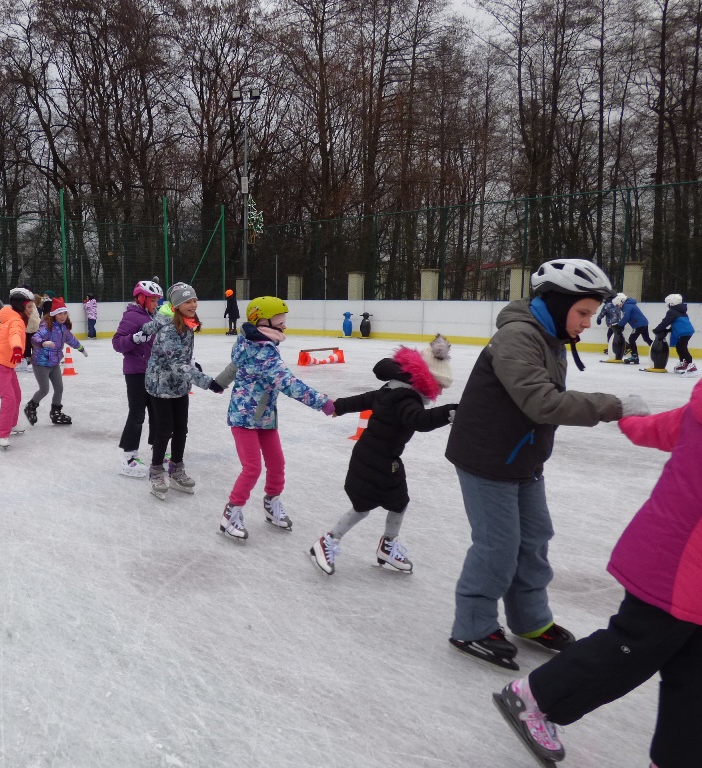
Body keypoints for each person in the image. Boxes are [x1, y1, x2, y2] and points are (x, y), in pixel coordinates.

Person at [445, 258, 650, 670]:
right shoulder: (518, 337)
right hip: (487, 459)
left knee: (535, 539)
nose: (588, 323)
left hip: (521, 457)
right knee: (498, 547)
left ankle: (530, 620)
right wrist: (613, 406)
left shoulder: (549, 335)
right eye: (583, 313)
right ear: (557, 304)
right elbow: (541, 402)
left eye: (592, 314)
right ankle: (471, 625)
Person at [493, 378, 702, 768]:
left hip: (682, 567)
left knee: (695, 676)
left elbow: (653, 429)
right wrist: (628, 415)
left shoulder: (696, 412)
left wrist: (632, 418)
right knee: (629, 650)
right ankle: (532, 697)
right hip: (673, 566)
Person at [309, 335, 456, 572]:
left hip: (386, 459)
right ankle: (327, 541)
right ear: (425, 378)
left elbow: (366, 399)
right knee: (362, 507)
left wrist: (339, 406)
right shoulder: (406, 398)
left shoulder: (394, 389)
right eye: (438, 385)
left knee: (399, 502)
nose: (438, 391)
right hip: (373, 459)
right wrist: (449, 413)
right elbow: (420, 420)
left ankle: (387, 547)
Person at [219, 296, 333, 540]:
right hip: (244, 418)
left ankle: (272, 504)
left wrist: (219, 383)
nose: (284, 325)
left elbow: (234, 367)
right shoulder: (262, 352)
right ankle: (231, 512)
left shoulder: (255, 343)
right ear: (261, 321)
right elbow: (289, 384)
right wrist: (323, 403)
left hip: (265, 417)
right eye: (280, 320)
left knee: (277, 463)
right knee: (252, 468)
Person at [137, 282, 225, 500]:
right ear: (176, 305)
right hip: (161, 386)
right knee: (165, 430)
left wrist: (194, 367)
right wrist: (208, 382)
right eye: (187, 301)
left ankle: (176, 468)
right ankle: (156, 469)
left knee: (181, 429)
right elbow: (177, 364)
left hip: (180, 386)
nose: (193, 304)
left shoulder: (186, 324)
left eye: (194, 300)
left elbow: (184, 359)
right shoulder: (169, 330)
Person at [112, 280, 163, 477]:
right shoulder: (132, 317)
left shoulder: (155, 316)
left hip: (154, 372)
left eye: (157, 300)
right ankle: (128, 455)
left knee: (158, 414)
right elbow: (117, 343)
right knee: (137, 414)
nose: (155, 303)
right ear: (141, 298)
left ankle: (157, 451)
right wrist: (134, 339)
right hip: (136, 373)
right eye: (152, 300)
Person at [0, 288, 36, 448]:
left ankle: (12, 424)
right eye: (29, 307)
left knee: (16, 395)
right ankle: (2, 433)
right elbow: (14, 336)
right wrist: (17, 349)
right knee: (9, 398)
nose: (31, 310)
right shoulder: (16, 322)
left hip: (6, 365)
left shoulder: (11, 319)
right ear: (20, 306)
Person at [24, 298, 87, 426]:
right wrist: (43, 343)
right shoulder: (46, 327)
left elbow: (72, 340)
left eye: (64, 313)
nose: (63, 316)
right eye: (60, 313)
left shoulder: (64, 329)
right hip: (41, 363)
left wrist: (81, 349)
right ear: (53, 314)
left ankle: (55, 413)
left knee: (59, 388)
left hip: (54, 363)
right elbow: (35, 338)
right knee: (44, 389)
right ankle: (30, 407)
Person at [654, 293, 696, 374]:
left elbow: (665, 322)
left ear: (671, 303)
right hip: (687, 331)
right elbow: (678, 323)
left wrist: (657, 330)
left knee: (682, 347)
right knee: (679, 346)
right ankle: (684, 362)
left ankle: (690, 364)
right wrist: (668, 330)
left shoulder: (672, 312)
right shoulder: (682, 311)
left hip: (684, 332)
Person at [613, 292, 652, 365]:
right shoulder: (629, 304)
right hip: (643, 323)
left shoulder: (626, 306)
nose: (618, 307)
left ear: (621, 301)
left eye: (618, 305)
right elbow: (627, 318)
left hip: (639, 325)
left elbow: (626, 317)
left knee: (631, 339)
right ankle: (656, 349)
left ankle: (634, 356)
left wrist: (619, 325)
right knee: (646, 339)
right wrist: (621, 324)